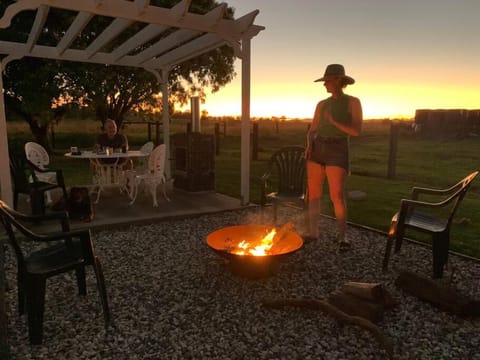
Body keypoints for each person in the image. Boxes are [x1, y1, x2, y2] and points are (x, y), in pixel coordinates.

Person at [305, 64, 363, 251]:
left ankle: (342, 237)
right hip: (317, 148)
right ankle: (313, 233)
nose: (325, 85)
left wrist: (333, 122)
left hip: (338, 149)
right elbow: (312, 129)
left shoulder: (353, 102)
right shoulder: (322, 104)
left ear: (338, 80)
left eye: (327, 81)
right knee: (313, 194)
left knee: (336, 195)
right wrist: (308, 145)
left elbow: (355, 131)